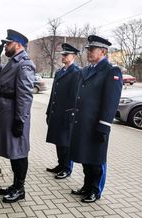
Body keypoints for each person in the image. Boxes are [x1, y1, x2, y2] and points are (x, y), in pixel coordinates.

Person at [70, 35, 123, 203]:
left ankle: (95, 190)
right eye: (88, 49)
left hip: (97, 124)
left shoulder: (111, 71)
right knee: (86, 157)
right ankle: (86, 186)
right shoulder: (87, 70)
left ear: (103, 51)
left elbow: (111, 101)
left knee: (97, 159)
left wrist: (104, 125)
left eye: (92, 50)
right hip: (83, 123)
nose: (88, 52)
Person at [0, 29, 36, 203]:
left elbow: (25, 96)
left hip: (15, 115)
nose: (5, 46)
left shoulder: (24, 64)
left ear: (17, 45)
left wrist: (20, 120)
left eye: (7, 44)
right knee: (13, 151)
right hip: (7, 112)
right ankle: (15, 184)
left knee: (19, 153)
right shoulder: (13, 62)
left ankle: (20, 189)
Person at [46, 43, 81, 179]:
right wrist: (49, 111)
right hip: (56, 112)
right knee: (58, 141)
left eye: (66, 55)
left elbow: (75, 97)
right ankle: (61, 165)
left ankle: (67, 168)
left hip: (67, 113)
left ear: (73, 56)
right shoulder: (60, 72)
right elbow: (53, 94)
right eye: (63, 54)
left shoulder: (77, 73)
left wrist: (72, 114)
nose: (63, 56)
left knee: (66, 142)